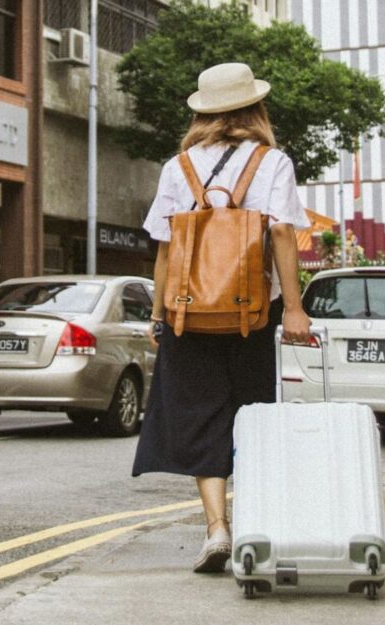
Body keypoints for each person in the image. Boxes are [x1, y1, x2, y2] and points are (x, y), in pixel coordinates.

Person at [131, 63, 312, 573]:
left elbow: (165, 247)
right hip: (250, 313)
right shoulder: (272, 161)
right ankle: (252, 523)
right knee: (249, 415)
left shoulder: (178, 166)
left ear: (204, 112)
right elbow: (280, 235)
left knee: (197, 414)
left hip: (188, 312)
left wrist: (159, 314)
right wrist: (294, 309)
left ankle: (216, 528)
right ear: (255, 109)